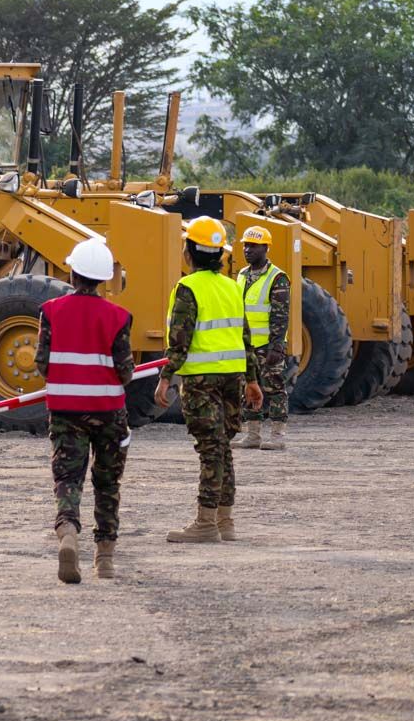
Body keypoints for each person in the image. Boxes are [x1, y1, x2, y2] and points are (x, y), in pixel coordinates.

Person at [154, 217, 264, 544]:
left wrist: (166, 378)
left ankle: (205, 523)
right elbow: (245, 338)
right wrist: (252, 380)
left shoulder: (188, 288)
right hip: (232, 379)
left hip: (201, 381)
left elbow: (180, 340)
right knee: (222, 448)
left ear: (189, 252)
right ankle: (224, 521)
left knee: (211, 450)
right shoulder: (232, 287)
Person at [39, 238, 136, 583]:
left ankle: (67, 530)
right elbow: (125, 372)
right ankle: (104, 558)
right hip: (109, 411)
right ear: (104, 278)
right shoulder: (119, 317)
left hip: (65, 410)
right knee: (108, 482)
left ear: (73, 273)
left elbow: (42, 363)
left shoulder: (51, 311)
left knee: (68, 478)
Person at [235, 226, 290, 451]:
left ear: (266, 248)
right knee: (248, 388)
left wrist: (276, 347)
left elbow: (280, 315)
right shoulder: (241, 275)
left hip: (268, 345)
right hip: (246, 346)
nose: (248, 250)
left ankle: (277, 436)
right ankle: (253, 435)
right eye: (245, 246)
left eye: (253, 246)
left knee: (274, 389)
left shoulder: (277, 277)